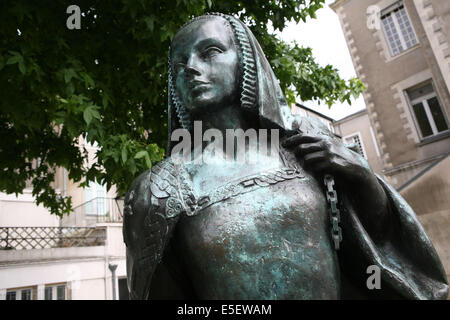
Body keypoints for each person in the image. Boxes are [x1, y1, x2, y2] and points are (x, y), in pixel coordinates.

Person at [123, 13, 448, 299]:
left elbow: (380, 239)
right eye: (179, 64)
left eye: (210, 52)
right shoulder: (159, 190)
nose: (191, 68)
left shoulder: (306, 143)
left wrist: (361, 175)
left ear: (245, 61)